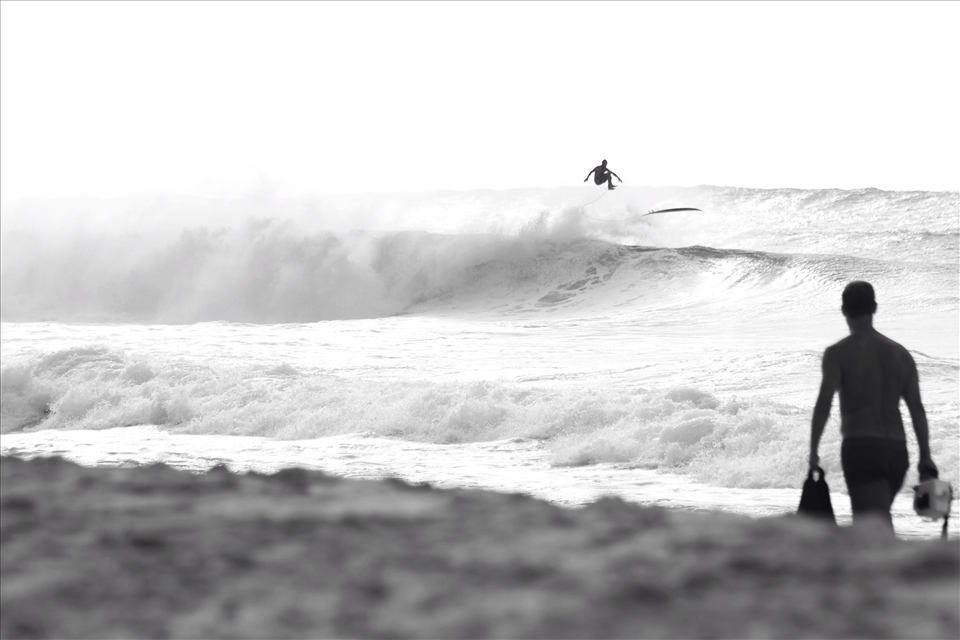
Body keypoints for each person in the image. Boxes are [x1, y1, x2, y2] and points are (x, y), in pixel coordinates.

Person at [809, 281, 939, 531]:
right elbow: (917, 410)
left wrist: (813, 451)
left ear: (844, 310)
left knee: (871, 529)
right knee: (878, 520)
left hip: (862, 449)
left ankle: (896, 568)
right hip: (897, 453)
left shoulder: (838, 353)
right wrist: (925, 455)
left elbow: (824, 403)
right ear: (875, 308)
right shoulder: (901, 354)